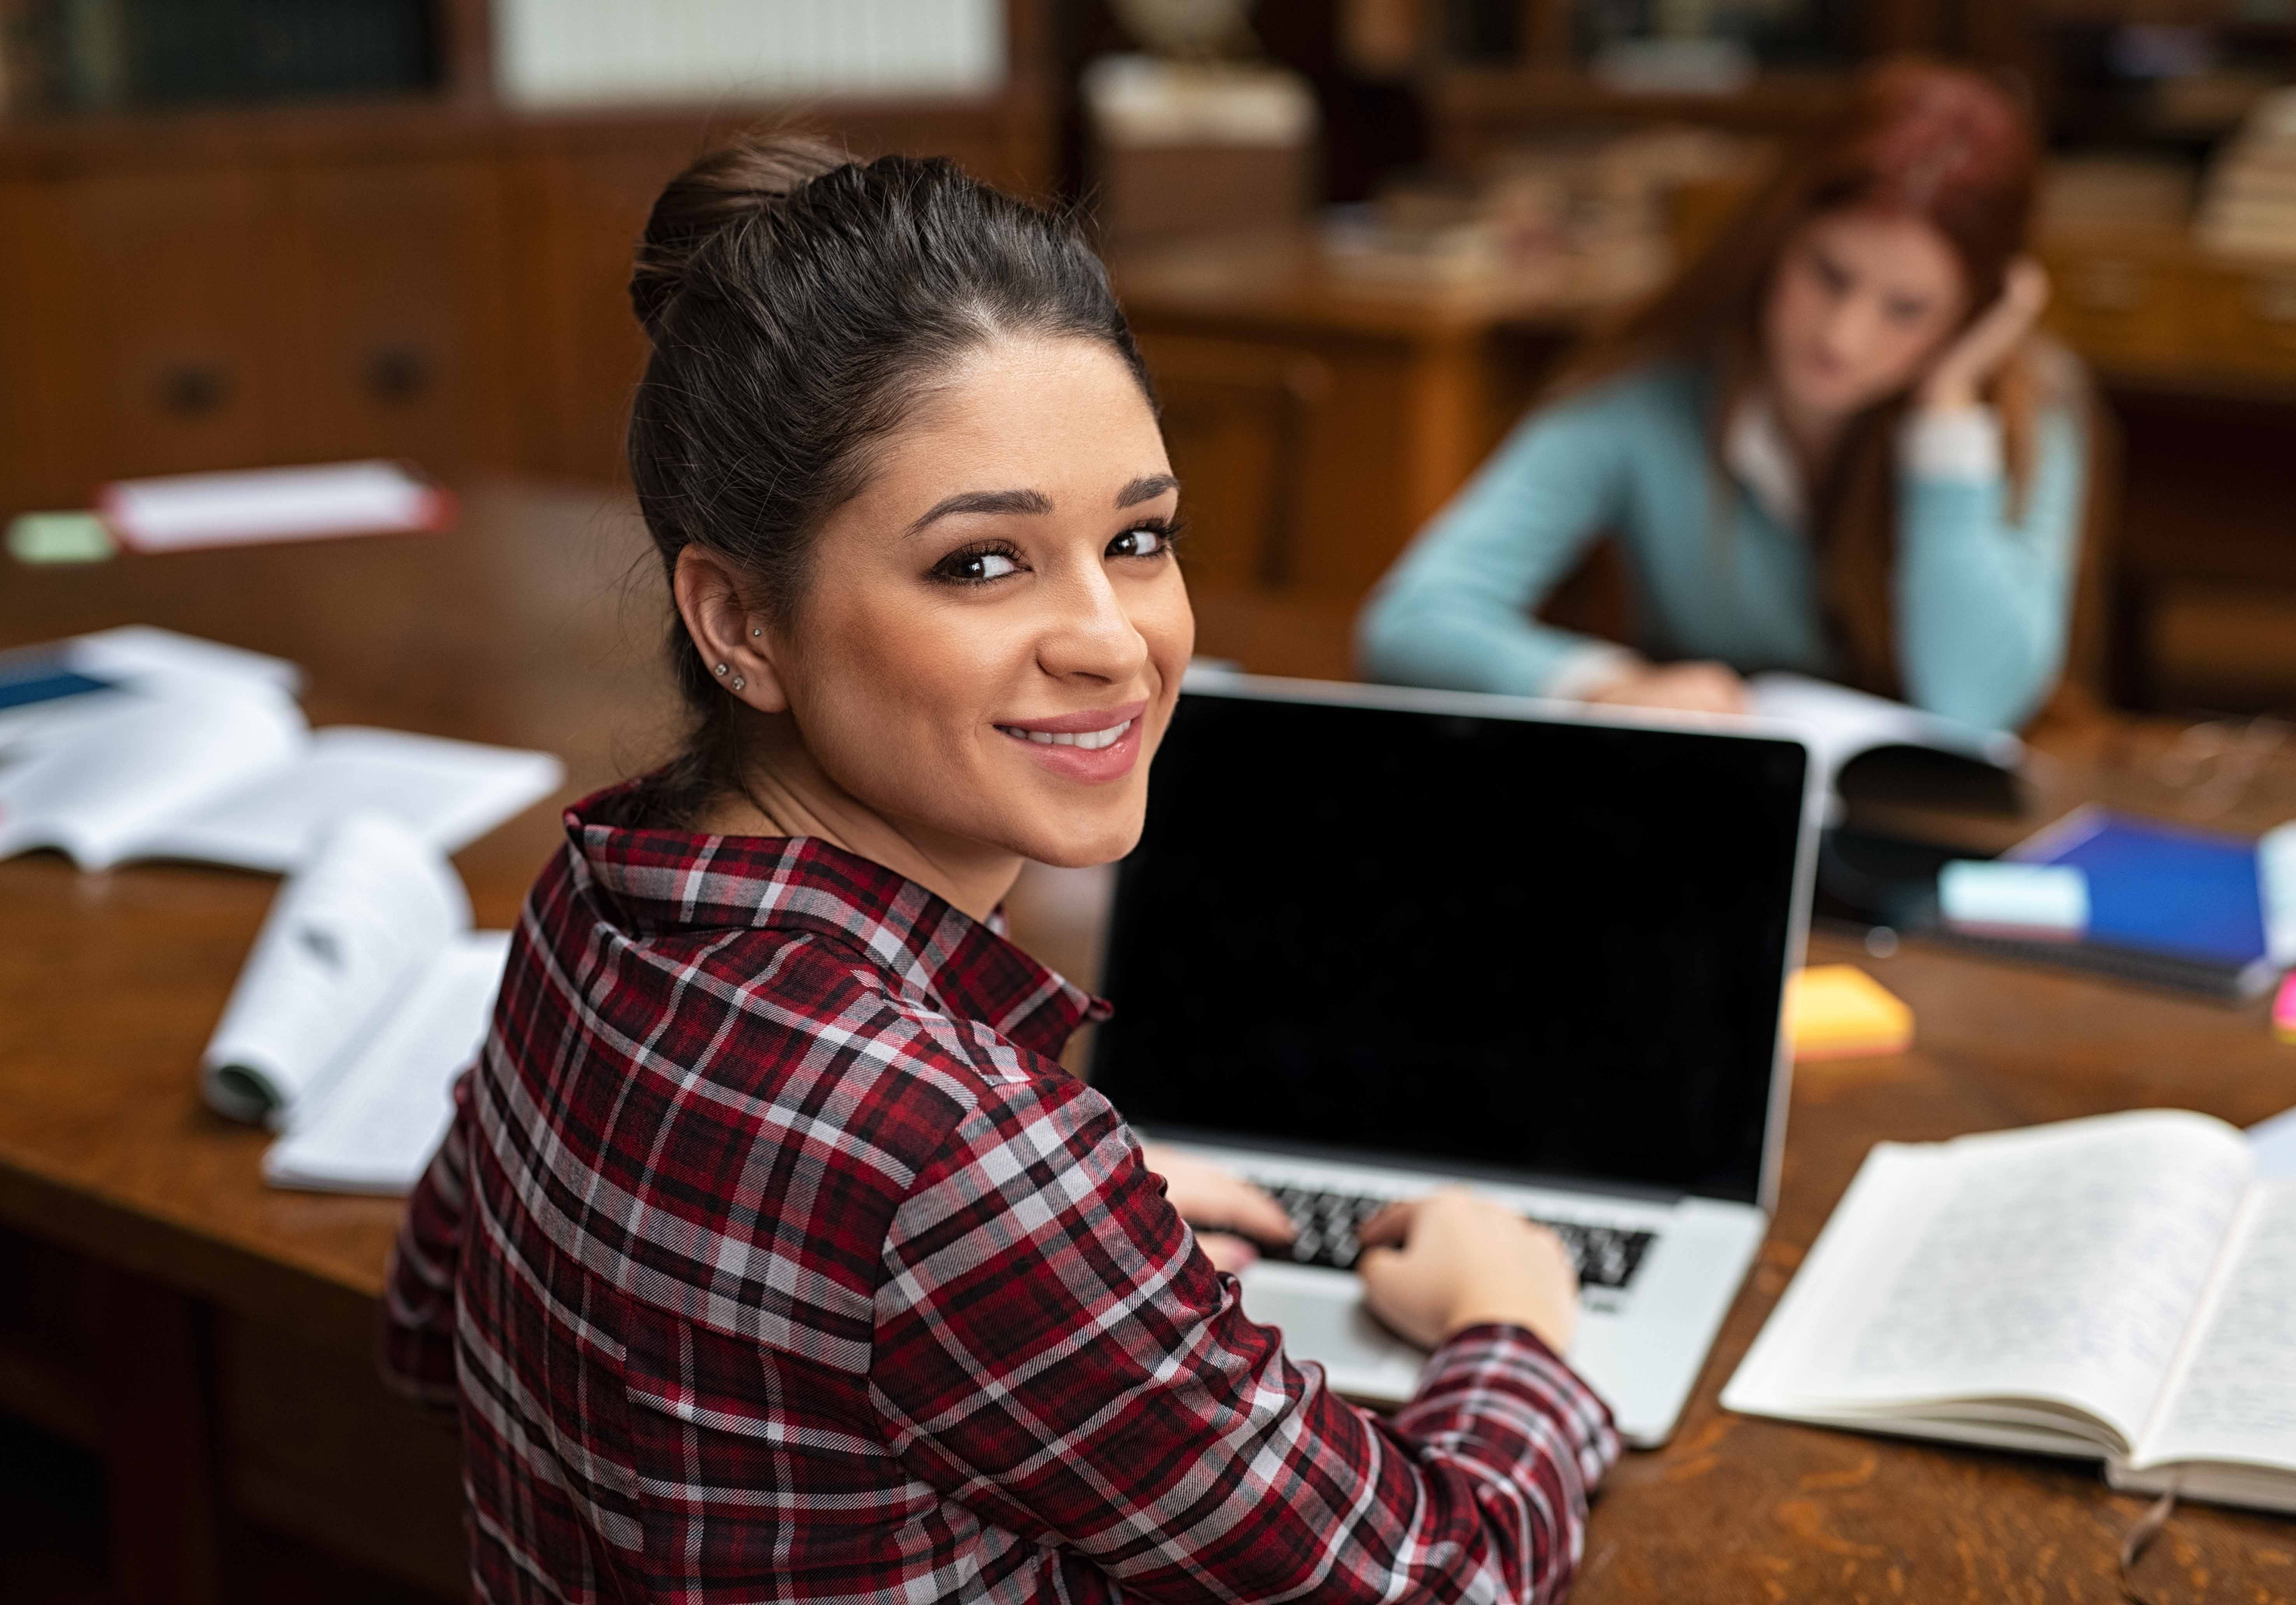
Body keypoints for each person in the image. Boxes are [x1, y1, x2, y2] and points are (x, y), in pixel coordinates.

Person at [379, 136, 1611, 1603]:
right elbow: (1441, 1577)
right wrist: (1515, 1328)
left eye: (1139, 538)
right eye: (982, 562)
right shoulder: (956, 1148)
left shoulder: (597, 893)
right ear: (738, 624)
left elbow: (421, 1322)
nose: (1114, 638)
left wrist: (1047, 1256)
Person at [1356, 60, 2087, 734]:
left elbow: (1976, 704)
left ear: (1971, 317)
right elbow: (1414, 617)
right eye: (1829, 275)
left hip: (1916, 835)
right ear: (1777, 238)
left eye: (1908, 310)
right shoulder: (1650, 389)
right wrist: (1605, 685)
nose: (1845, 337)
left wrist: (1948, 416)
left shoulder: (2023, 414)